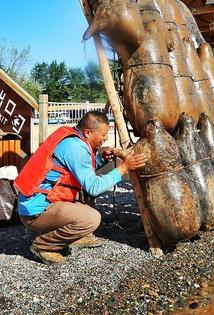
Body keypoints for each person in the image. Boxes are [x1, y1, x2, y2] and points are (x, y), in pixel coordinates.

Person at [15, 111, 147, 264]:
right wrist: (123, 169)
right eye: (103, 135)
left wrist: (100, 159)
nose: (105, 138)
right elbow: (94, 187)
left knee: (87, 195)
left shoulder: (71, 137)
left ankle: (74, 234)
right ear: (88, 133)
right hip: (35, 212)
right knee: (91, 218)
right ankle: (43, 245)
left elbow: (76, 171)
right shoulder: (76, 147)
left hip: (36, 202)